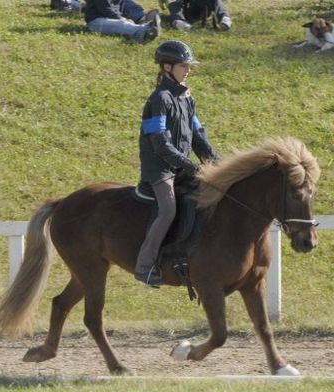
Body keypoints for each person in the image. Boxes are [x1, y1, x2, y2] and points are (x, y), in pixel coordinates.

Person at [135, 40, 220, 286]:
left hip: (179, 167)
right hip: (159, 170)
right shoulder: (159, 99)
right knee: (168, 210)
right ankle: (144, 266)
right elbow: (159, 144)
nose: (188, 70)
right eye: (184, 66)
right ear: (166, 67)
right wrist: (188, 164)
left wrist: (218, 165)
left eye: (188, 66)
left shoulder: (186, 99)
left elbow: (198, 137)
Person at [84, 0, 161, 44]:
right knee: (122, 24)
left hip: (110, 19)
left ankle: (147, 27)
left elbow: (117, 8)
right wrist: (121, 18)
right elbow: (106, 10)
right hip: (96, 21)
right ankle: (144, 31)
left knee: (122, 24)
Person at [167, 0, 232, 31]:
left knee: (217, 1)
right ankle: (180, 23)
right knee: (174, 4)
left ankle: (225, 21)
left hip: (204, 8)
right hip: (188, 8)